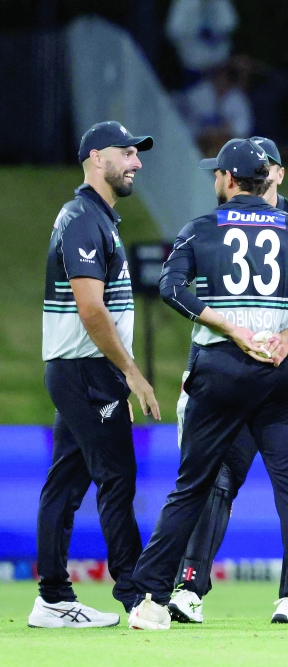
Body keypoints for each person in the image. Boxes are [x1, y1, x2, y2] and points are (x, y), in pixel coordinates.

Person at [127, 139, 288, 632]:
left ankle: (152, 600)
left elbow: (169, 286)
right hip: (279, 373)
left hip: (221, 369)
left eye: (216, 174)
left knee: (193, 485)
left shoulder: (203, 228)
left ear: (229, 180)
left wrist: (230, 328)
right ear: (265, 179)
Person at [30, 122, 159, 629]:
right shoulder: (83, 217)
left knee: (66, 480)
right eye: (127, 153)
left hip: (84, 371)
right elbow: (91, 310)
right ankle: (136, 597)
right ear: (95, 157)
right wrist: (130, 372)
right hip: (83, 369)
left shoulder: (96, 218)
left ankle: (53, 599)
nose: (136, 163)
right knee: (116, 477)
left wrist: (113, 374)